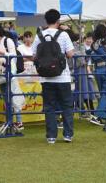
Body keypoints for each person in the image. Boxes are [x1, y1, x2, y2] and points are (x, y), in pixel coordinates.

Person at [32, 9, 74, 144]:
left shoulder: (39, 35)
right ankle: (67, 134)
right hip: (63, 76)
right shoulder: (63, 35)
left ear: (46, 20)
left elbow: (34, 55)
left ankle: (51, 136)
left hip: (45, 77)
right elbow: (70, 54)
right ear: (58, 20)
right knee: (66, 105)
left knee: (49, 106)